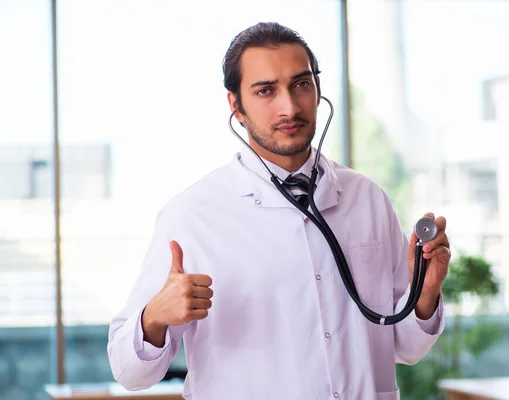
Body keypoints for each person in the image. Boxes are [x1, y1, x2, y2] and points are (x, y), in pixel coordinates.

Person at [107, 21, 451, 400]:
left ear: (318, 90)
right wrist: (154, 316)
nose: (289, 106)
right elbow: (130, 373)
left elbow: (405, 346)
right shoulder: (192, 216)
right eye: (265, 90)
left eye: (301, 84)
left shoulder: (367, 198)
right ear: (236, 105)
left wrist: (427, 291)